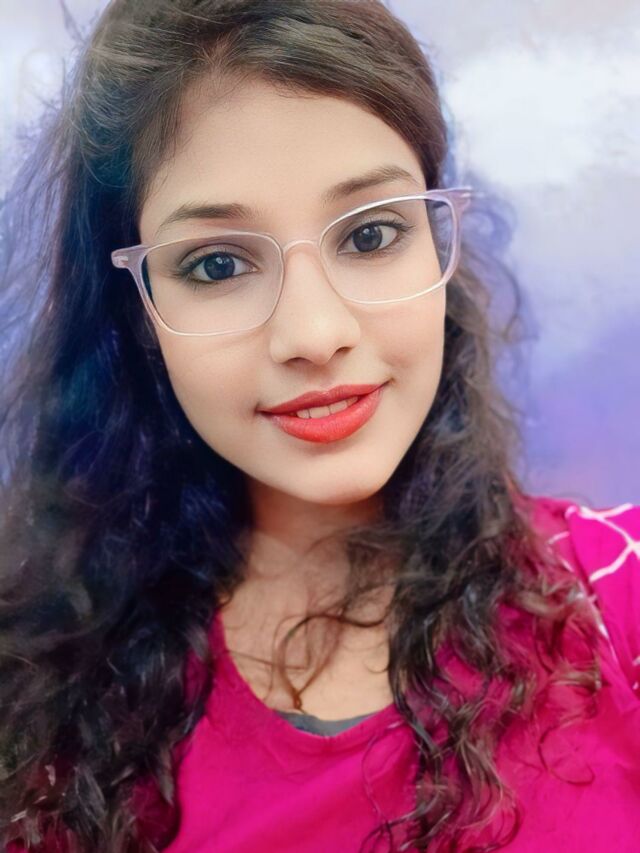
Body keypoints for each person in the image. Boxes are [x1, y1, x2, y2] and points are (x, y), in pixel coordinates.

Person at [0, 1, 638, 851]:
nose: (313, 333)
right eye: (217, 264)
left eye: (371, 235)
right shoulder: (33, 691)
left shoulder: (616, 596)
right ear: (141, 315)